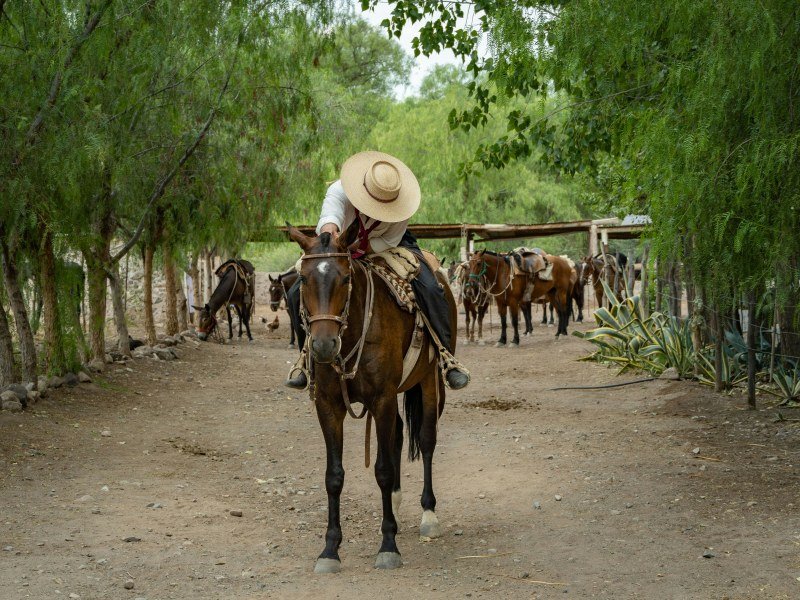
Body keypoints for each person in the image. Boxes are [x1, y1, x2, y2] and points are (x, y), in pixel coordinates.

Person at [285, 150, 470, 391]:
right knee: (296, 290)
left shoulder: (402, 207)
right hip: (338, 244)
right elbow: (329, 219)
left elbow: (386, 242)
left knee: (431, 287)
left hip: (388, 244)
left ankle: (446, 357)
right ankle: (306, 360)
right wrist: (332, 238)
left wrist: (356, 247)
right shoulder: (339, 190)